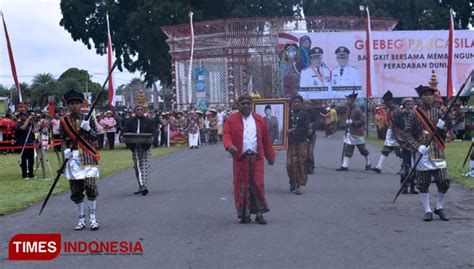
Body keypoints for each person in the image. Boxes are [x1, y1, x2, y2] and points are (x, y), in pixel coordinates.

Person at [223, 94, 275, 224]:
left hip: (256, 158)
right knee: (241, 185)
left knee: (257, 184)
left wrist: (270, 156)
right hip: (240, 159)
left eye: (248, 103)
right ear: (238, 105)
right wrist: (229, 145)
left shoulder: (259, 119)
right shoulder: (231, 120)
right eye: (243, 103)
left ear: (252, 105)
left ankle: (259, 213)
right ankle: (244, 214)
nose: (246, 105)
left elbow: (266, 139)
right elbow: (226, 134)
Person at [405, 85, 452, 221]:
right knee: (423, 183)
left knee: (444, 180)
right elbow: (408, 133)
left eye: (430, 95)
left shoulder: (439, 112)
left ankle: (439, 207)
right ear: (421, 97)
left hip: (437, 150)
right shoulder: (414, 113)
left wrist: (444, 127)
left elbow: (447, 129)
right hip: (422, 151)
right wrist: (417, 146)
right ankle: (427, 210)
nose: (428, 97)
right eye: (425, 95)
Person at [60, 89, 100, 230]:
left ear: (81, 104)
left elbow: (96, 137)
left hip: (88, 154)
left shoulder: (88, 118)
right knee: (76, 190)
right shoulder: (64, 121)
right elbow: (63, 139)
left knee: (90, 186)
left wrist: (88, 129)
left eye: (76, 103)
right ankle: (81, 219)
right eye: (71, 104)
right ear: (68, 105)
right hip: (73, 157)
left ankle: (93, 218)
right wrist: (65, 150)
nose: (74, 106)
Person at [122, 105, 155, 195]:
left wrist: (152, 138)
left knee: (144, 165)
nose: (139, 111)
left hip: (145, 146)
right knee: (137, 166)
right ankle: (141, 186)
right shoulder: (130, 121)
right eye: (137, 110)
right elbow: (124, 131)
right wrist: (123, 137)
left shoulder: (148, 121)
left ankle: (143, 185)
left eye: (141, 110)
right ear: (135, 111)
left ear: (143, 111)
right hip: (135, 146)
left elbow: (153, 131)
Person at [337, 92, 372, 171]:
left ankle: (368, 163)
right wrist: (347, 122)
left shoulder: (357, 110)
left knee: (363, 150)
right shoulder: (349, 109)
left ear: (352, 100)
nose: (347, 101)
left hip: (357, 133)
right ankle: (345, 166)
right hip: (350, 132)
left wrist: (353, 122)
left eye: (348, 100)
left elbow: (363, 120)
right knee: (348, 149)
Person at [372, 91, 401, 174]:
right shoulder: (388, 110)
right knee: (385, 150)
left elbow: (400, 123)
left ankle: (404, 168)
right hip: (390, 132)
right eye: (385, 103)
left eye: (387, 103)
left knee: (400, 153)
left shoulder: (398, 110)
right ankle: (378, 167)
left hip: (397, 133)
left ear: (391, 101)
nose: (386, 104)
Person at [287, 95, 310, 194]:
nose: (296, 103)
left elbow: (305, 128)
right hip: (291, 142)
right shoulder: (287, 113)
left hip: (301, 142)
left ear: (301, 103)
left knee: (300, 163)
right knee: (289, 164)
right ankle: (292, 181)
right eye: (295, 102)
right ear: (291, 103)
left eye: (298, 102)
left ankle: (298, 185)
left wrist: (293, 129)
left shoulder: (305, 114)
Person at [397, 97, 418, 194]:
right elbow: (397, 130)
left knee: (416, 166)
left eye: (411, 104)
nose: (410, 106)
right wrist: (402, 142)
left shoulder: (417, 114)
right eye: (408, 104)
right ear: (404, 105)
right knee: (405, 166)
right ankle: (404, 186)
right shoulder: (400, 115)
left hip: (415, 143)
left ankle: (413, 186)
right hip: (405, 144)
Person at [15, 111, 36, 179]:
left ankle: (31, 174)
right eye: (23, 115)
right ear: (20, 116)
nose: (25, 116)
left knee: (31, 160)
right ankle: (24, 175)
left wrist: (32, 120)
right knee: (24, 160)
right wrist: (28, 120)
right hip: (23, 143)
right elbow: (23, 128)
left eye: (26, 115)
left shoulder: (29, 123)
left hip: (30, 143)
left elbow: (34, 129)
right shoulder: (19, 123)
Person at [304, 99, 317, 174]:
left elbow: (316, 121)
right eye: (305, 104)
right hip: (303, 134)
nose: (307, 105)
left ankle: (311, 166)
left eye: (308, 104)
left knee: (310, 151)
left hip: (312, 134)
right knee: (304, 151)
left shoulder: (313, 112)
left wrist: (312, 128)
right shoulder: (301, 112)